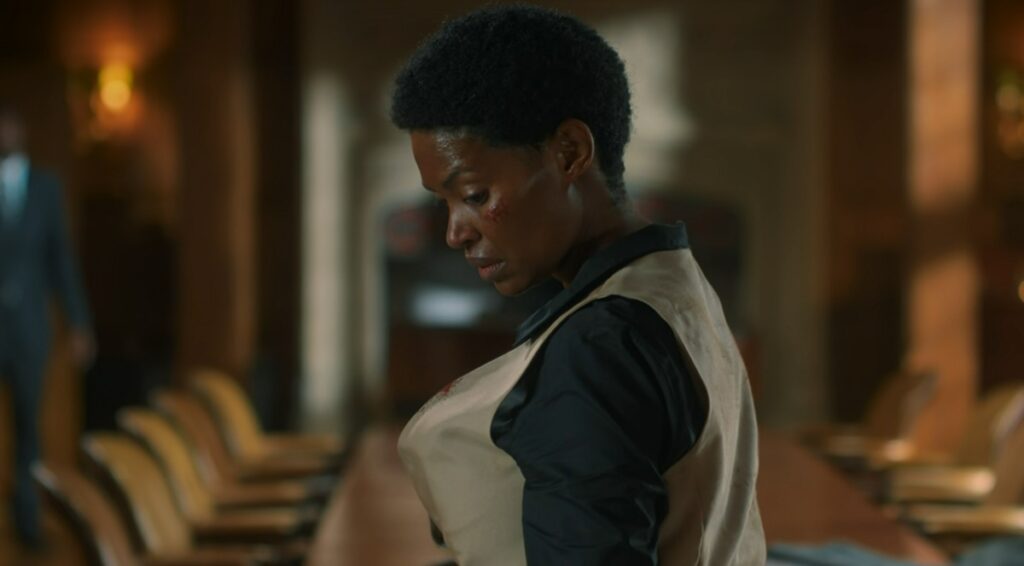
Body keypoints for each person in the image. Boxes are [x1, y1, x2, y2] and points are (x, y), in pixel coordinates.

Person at [390, 5, 764, 565]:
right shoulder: (675, 282)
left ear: (569, 153)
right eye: (443, 203)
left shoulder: (598, 347)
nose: (454, 233)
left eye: (473, 195)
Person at [0, 102, 94, 548]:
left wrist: (78, 321)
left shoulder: (45, 188)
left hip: (29, 330)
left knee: (29, 430)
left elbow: (61, 260)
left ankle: (27, 523)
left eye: (9, 126)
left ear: (21, 131)